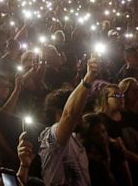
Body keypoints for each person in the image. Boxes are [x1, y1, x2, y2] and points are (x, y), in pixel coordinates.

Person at [38, 54, 99, 186]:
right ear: (59, 113)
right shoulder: (51, 135)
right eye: (78, 112)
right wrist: (88, 79)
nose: (81, 116)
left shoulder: (75, 140)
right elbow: (70, 114)